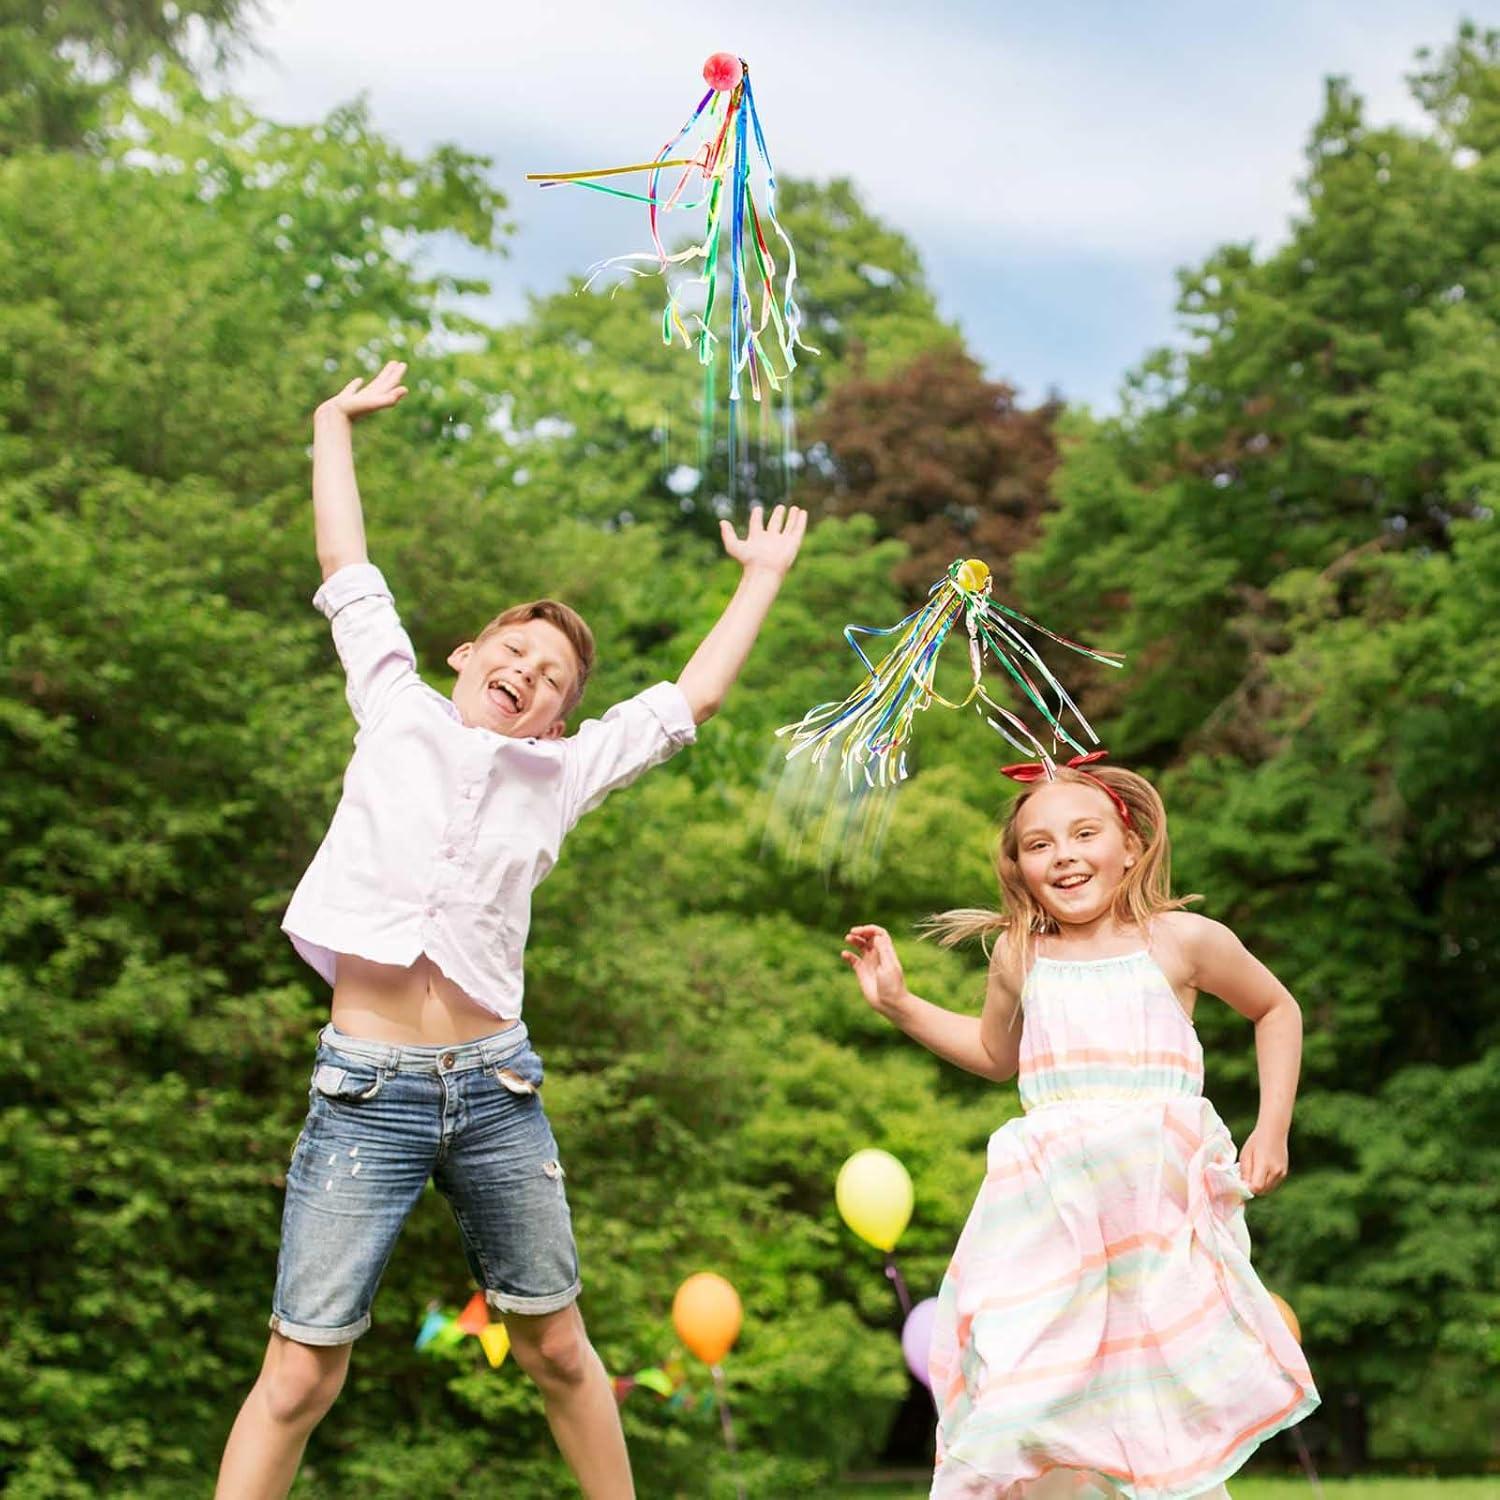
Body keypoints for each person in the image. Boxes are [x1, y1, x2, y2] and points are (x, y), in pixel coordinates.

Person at [216, 361, 807, 1500]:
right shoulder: (391, 703)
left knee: (558, 1350)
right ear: (466, 656)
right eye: (515, 653)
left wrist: (761, 579)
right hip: (365, 1089)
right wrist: (331, 422)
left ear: (559, 720)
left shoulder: (562, 775)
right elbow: (347, 567)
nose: (528, 673)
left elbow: (691, 700)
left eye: (552, 678)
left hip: (495, 1088)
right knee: (300, 1371)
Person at [842, 756, 1319, 1499]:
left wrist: (1273, 1128)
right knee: (1031, 1393)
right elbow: (995, 1055)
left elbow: (1276, 1008)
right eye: (1040, 844)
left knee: (1152, 1406)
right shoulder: (1020, 954)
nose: (1063, 854)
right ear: (1019, 868)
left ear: (1131, 846)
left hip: (1153, 1222)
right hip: (1050, 1223)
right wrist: (901, 1005)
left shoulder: (1180, 941)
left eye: (1084, 833)